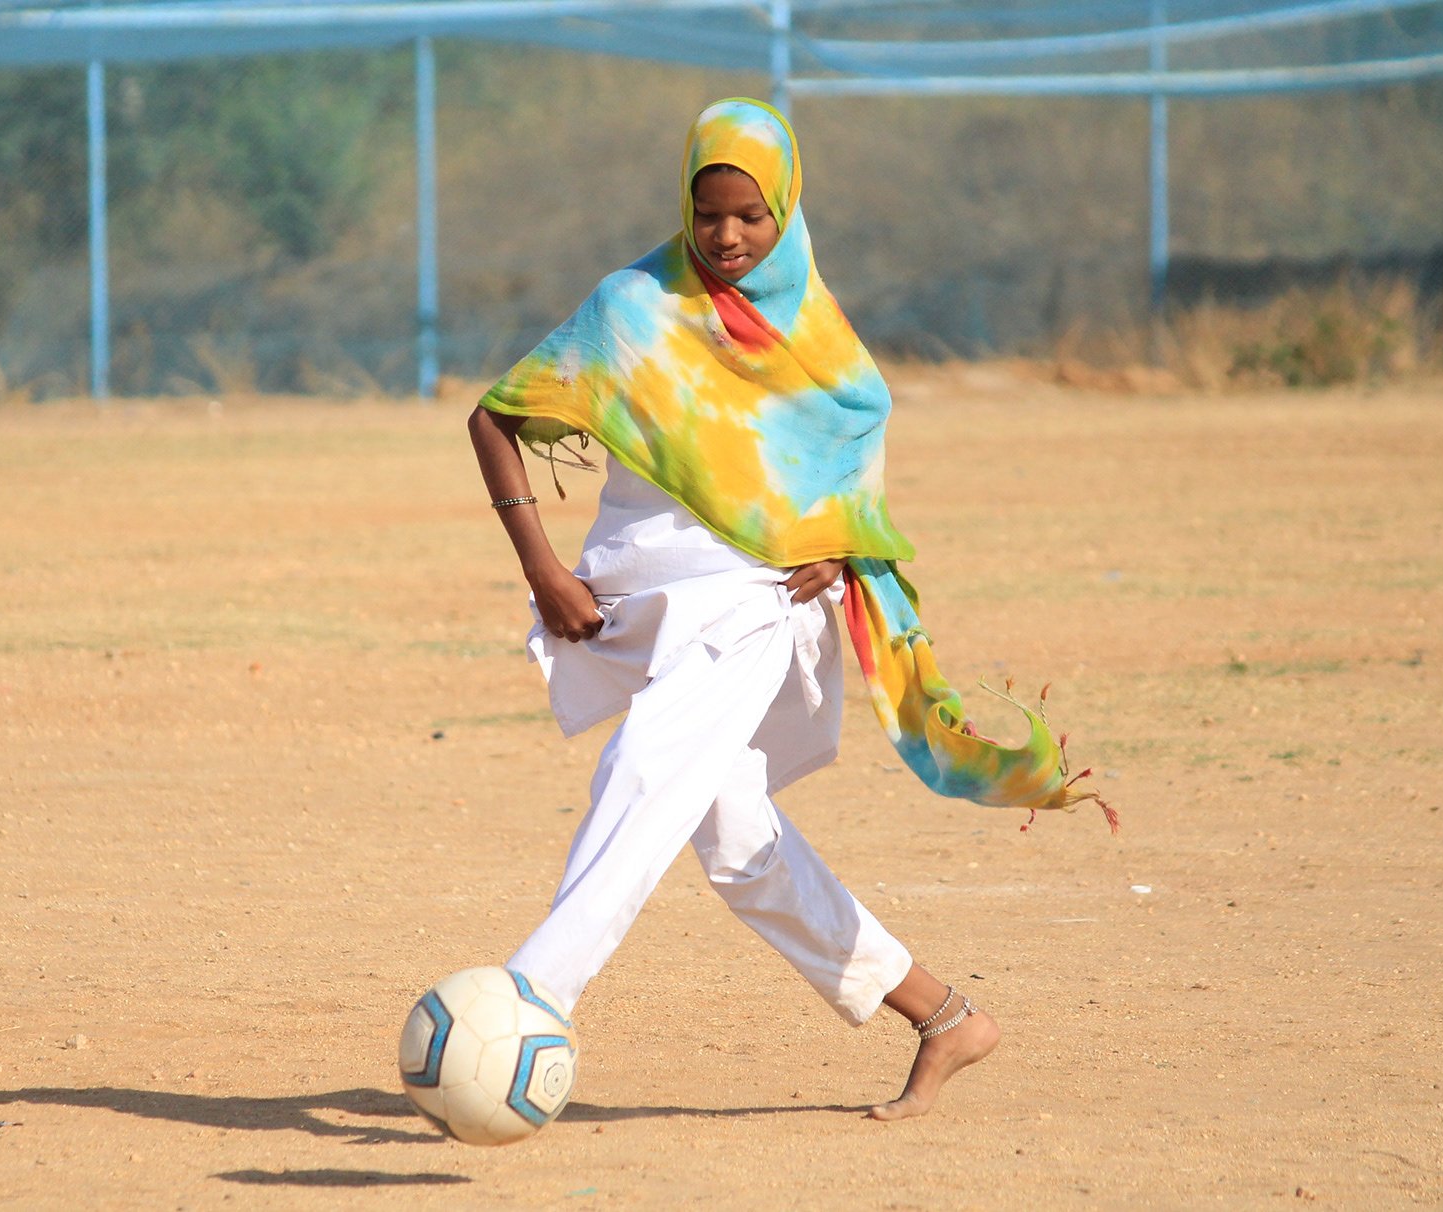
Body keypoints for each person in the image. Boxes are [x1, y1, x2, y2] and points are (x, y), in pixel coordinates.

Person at [467, 98, 1110, 1121]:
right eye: (709, 213)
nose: (726, 237)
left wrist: (839, 548)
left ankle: (533, 994)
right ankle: (945, 1015)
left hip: (755, 602)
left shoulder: (813, 333)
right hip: (638, 600)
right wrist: (541, 565)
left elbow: (854, 434)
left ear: (787, 211)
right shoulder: (633, 307)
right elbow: (495, 418)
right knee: (735, 841)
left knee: (649, 769)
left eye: (750, 217)